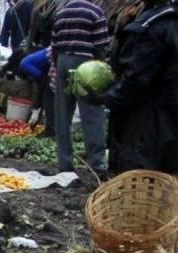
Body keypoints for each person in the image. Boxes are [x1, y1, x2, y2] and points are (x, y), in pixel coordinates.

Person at [103, 0, 178, 173]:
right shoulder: (167, 20)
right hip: (169, 116)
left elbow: (136, 79)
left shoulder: (151, 26)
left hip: (148, 121)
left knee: (141, 179)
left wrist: (108, 98)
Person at [51, 0, 109, 173]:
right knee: (92, 113)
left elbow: (54, 46)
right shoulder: (95, 12)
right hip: (85, 62)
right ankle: (97, 162)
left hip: (62, 60)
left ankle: (64, 163)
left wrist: (58, 68)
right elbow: (100, 48)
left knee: (63, 115)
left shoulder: (61, 13)